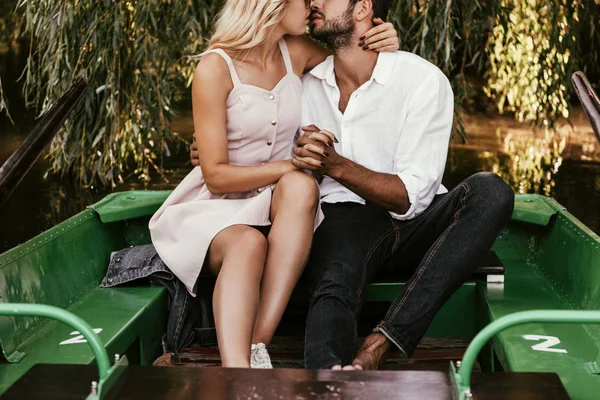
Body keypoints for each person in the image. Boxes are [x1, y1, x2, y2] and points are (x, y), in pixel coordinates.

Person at [190, 0, 515, 371]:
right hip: (341, 219)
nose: (313, 2)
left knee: (491, 191)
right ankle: (331, 376)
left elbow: (411, 198)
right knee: (334, 284)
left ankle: (382, 342)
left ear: (363, 8)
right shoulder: (301, 78)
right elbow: (258, 122)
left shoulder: (421, 79)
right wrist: (214, 143)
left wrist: (336, 165)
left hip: (417, 222)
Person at [149, 0, 400, 369]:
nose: (313, 3)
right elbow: (215, 174)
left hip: (273, 199)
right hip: (214, 204)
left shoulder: (296, 52)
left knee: (303, 186)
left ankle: (255, 346)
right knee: (249, 242)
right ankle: (236, 374)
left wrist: (383, 38)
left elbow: (354, 61)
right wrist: (290, 164)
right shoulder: (215, 67)